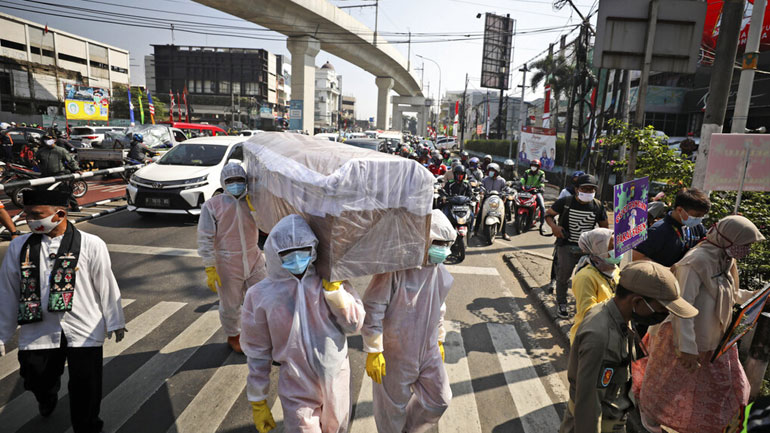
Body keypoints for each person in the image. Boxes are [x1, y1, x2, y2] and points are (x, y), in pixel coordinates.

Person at [0, 190, 126, 433]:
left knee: (86, 387)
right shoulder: (19, 247)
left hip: (84, 328)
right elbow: (8, 292)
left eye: (37, 215)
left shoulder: (90, 243)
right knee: (36, 378)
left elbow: (106, 284)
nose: (31, 221)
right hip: (39, 330)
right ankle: (46, 396)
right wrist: (2, 334)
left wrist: (115, 321)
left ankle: (87, 427)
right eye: (27, 215)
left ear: (60, 214)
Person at [635, 216, 765, 433]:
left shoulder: (726, 259)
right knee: (666, 385)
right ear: (728, 238)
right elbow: (681, 307)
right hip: (684, 338)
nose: (747, 250)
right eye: (745, 244)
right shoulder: (695, 262)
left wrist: (756, 296)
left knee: (733, 388)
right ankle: (649, 415)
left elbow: (730, 293)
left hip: (717, 339)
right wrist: (686, 348)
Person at [240, 214, 365, 433]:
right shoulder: (260, 295)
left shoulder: (330, 281)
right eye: (287, 254)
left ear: (314, 250)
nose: (297, 259)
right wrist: (258, 399)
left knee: (337, 429)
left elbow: (354, 325)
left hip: (336, 376)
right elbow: (257, 351)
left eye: (303, 251)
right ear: (274, 254)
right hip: (296, 382)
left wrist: (336, 295)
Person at [560, 261, 698, 433]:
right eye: (662, 309)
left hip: (612, 416)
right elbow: (588, 406)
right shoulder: (601, 337)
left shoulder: (617, 314)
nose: (665, 315)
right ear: (637, 302)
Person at [362, 209, 455, 433]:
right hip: (395, 354)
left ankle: (409, 429)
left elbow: (439, 308)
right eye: (437, 243)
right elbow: (373, 307)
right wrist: (374, 349)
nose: (441, 249)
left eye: (446, 244)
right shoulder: (396, 270)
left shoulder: (440, 273)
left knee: (439, 399)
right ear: (424, 240)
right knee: (391, 411)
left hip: (428, 350)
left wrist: (440, 339)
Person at [197, 163, 267, 353]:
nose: (235, 184)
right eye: (230, 181)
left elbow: (267, 226)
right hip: (227, 263)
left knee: (263, 299)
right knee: (230, 305)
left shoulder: (253, 202)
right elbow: (205, 237)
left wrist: (255, 209)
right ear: (223, 182)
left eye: (240, 180)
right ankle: (234, 335)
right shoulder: (213, 205)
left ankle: (260, 334)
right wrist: (210, 267)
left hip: (254, 258)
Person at [545, 174, 609, 318]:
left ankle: (583, 306)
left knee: (586, 278)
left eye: (591, 190)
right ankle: (562, 303)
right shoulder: (565, 202)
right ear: (576, 189)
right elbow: (548, 214)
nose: (588, 192)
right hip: (566, 245)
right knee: (563, 276)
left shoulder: (598, 206)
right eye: (584, 189)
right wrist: (554, 227)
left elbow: (604, 228)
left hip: (587, 249)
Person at [633, 188, 710, 267]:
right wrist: (663, 270)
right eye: (696, 215)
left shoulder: (697, 227)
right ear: (679, 210)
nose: (699, 219)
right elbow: (636, 256)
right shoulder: (658, 231)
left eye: (702, 216)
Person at [569, 228, 620, 343]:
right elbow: (589, 314)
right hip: (591, 339)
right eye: (611, 247)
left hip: (611, 334)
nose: (617, 250)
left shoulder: (613, 269)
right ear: (598, 248)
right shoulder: (585, 277)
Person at [35, 133, 81, 211]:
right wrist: (35, 162)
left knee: (65, 191)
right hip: (46, 175)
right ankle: (43, 210)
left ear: (54, 140)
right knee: (42, 192)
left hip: (59, 174)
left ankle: (75, 207)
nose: (47, 141)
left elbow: (71, 160)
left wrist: (77, 169)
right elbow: (36, 159)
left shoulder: (61, 150)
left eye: (49, 139)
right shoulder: (41, 151)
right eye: (46, 139)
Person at [476, 163, 510, 240]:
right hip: (487, 198)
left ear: (497, 172)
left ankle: (504, 233)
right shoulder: (485, 179)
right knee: (480, 213)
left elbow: (506, 189)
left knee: (503, 215)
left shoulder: (502, 180)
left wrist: (505, 195)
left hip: (498, 200)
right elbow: (481, 187)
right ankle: (475, 231)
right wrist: (481, 192)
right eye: (490, 170)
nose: (490, 172)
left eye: (492, 171)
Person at [519, 159, 547, 225]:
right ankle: (516, 219)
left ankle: (542, 224)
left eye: (535, 166)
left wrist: (541, 187)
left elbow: (542, 181)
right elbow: (523, 179)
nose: (533, 167)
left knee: (542, 207)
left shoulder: (541, 173)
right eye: (532, 165)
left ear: (538, 167)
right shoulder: (527, 172)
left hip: (536, 192)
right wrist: (520, 184)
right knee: (517, 201)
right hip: (526, 191)